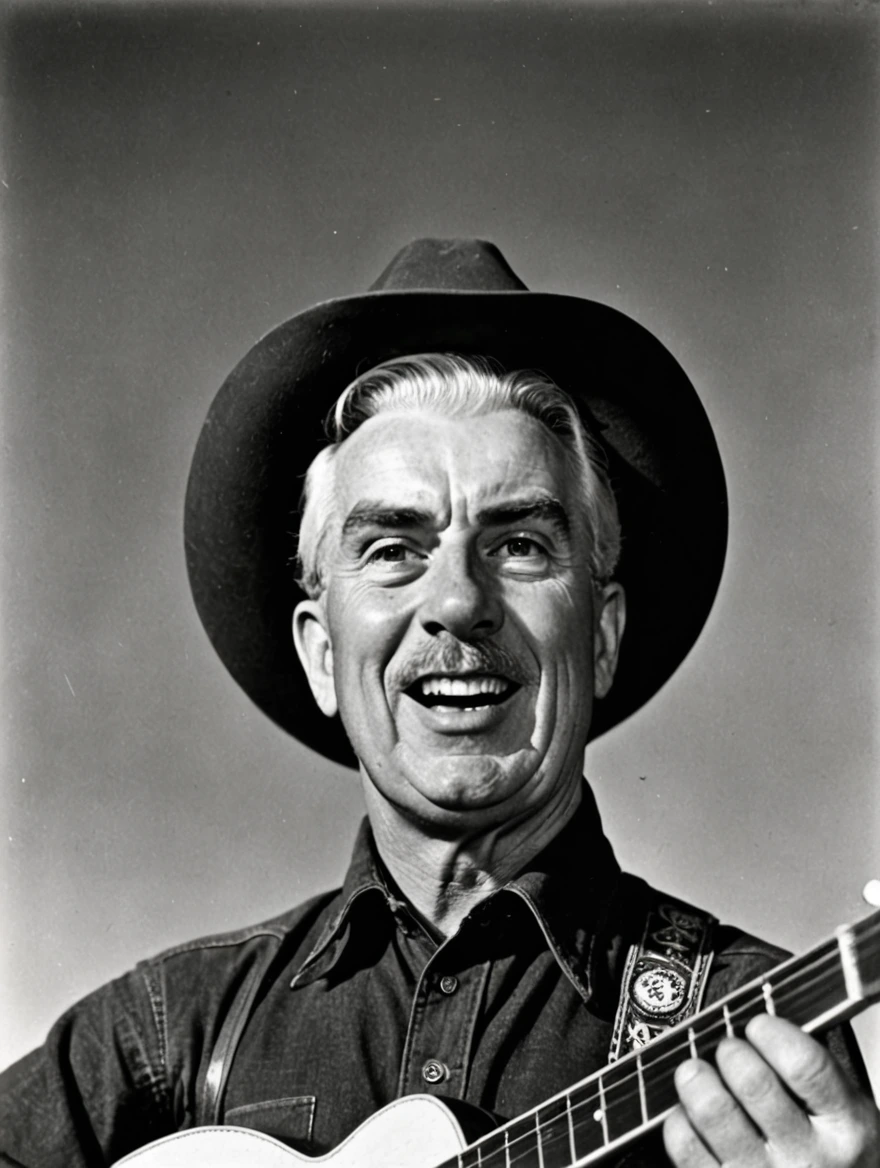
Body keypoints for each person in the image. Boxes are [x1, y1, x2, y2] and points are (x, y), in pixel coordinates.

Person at [1, 239, 877, 1167]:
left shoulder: (753, 1038)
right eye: (392, 549)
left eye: (522, 544)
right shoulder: (175, 1036)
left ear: (604, 632)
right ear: (324, 653)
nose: (459, 601)